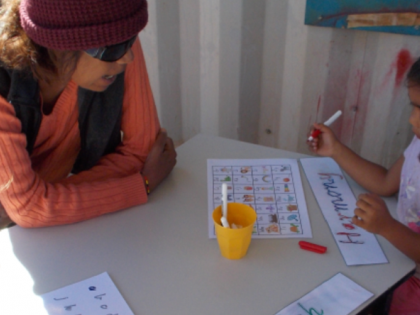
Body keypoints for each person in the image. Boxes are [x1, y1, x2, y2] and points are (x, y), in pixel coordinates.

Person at [0, 0, 177, 229]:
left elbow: (143, 150)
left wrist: (48, 199)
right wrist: (142, 183)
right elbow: (28, 207)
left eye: (131, 39)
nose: (127, 57)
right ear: (58, 44)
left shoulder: (115, 34)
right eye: (112, 48)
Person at [307, 59, 420, 314]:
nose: (412, 119)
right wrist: (335, 149)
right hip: (396, 267)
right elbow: (385, 183)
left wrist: (387, 226)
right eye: (413, 106)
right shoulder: (418, 144)